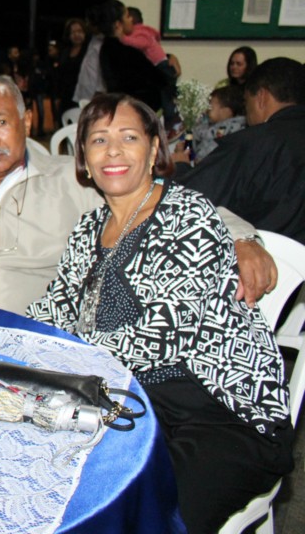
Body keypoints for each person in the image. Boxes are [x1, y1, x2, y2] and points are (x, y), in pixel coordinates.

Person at [26, 94, 293, 532]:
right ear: (85, 160)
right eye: (98, 140)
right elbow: (54, 309)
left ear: (153, 150)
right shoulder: (87, 230)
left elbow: (164, 336)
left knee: (147, 517)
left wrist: (69, 355)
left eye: (128, 137)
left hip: (217, 413)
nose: (112, 151)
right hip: (132, 401)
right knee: (45, 483)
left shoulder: (187, 216)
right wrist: (5, 336)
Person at [0, 76, 274, 315]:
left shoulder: (73, 179)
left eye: (1, 122)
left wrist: (241, 237)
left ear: (27, 119)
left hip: (34, 342)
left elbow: (160, 202)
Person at [181, 57, 305, 244]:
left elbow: (187, 198)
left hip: (268, 260)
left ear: (261, 97)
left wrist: (181, 166)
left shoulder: (254, 143)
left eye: (247, 103)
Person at [91, 0, 168, 113]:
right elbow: (159, 79)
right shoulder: (125, 50)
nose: (131, 19)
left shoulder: (107, 47)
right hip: (137, 110)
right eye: (127, 16)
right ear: (118, 24)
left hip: (125, 108)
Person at [120, 6, 179, 125]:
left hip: (161, 66)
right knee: (166, 95)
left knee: (166, 97)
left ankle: (172, 122)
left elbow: (141, 44)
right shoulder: (147, 30)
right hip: (161, 66)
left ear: (131, 19)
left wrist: (122, 37)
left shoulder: (139, 33)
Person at [171, 85, 246, 165]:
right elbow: (196, 140)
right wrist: (186, 148)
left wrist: (197, 159)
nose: (207, 109)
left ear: (226, 111)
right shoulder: (208, 123)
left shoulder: (227, 130)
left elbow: (211, 149)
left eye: (211, 107)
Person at [56, 18, 87, 116]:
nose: (76, 35)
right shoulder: (65, 52)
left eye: (79, 31)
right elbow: (60, 75)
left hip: (83, 95)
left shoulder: (89, 51)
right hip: (66, 96)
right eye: (73, 32)